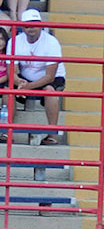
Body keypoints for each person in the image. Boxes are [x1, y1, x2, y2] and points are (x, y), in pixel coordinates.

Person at [5, 10, 66, 145]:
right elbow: (12, 72)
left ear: (41, 25)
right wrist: (18, 82)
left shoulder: (51, 42)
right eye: (27, 25)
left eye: (34, 25)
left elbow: (50, 76)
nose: (31, 28)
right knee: (7, 90)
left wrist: (26, 87)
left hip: (52, 78)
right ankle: (6, 131)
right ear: (22, 27)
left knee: (50, 90)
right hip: (26, 78)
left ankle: (52, 134)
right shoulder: (14, 41)